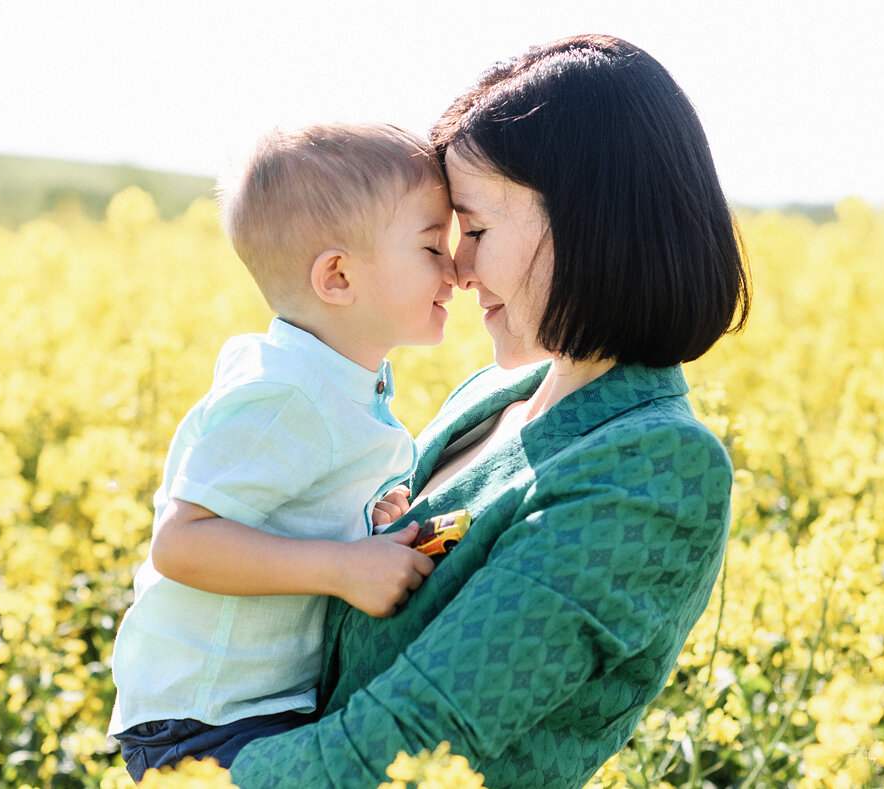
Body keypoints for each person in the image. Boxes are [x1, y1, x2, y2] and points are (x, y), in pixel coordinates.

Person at [230, 33, 751, 788]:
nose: (458, 270)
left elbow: (406, 743)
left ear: (587, 220)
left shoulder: (658, 470)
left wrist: (191, 774)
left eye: (474, 229)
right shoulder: (492, 394)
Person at [107, 122, 456, 780]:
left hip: (255, 705)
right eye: (432, 246)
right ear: (338, 276)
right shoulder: (285, 393)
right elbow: (181, 543)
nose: (458, 269)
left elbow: (290, 503)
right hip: (202, 719)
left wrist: (367, 521)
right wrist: (342, 567)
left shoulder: (341, 377)